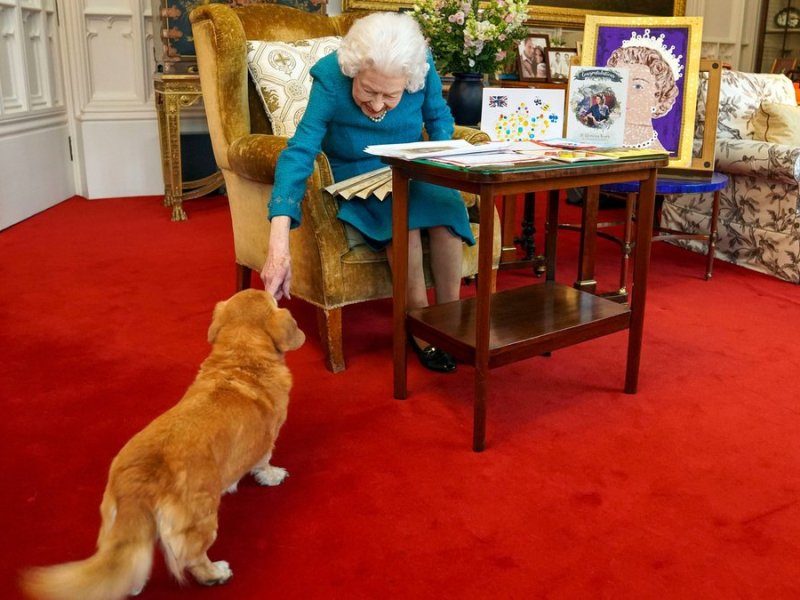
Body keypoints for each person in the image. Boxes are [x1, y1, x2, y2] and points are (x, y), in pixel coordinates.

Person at [261, 11, 473, 373]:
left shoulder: (422, 66)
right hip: (355, 171)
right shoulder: (330, 75)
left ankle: (448, 321)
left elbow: (438, 121)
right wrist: (278, 239)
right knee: (402, 223)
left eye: (390, 95)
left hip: (411, 164)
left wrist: (444, 168)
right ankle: (419, 327)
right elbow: (300, 150)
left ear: (409, 79)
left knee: (447, 217)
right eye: (368, 90)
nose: (377, 105)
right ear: (353, 69)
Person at [606, 42, 680, 150]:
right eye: (618, 84)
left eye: (637, 86)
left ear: (659, 97)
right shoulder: (594, 146)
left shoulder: (656, 154)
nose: (623, 94)